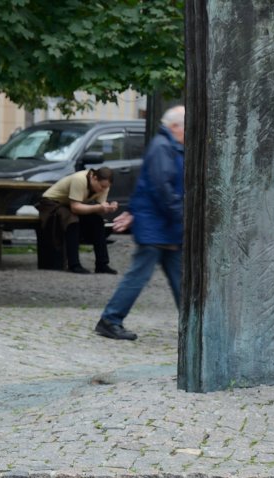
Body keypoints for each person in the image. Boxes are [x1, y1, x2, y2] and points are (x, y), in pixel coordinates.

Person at [95, 105, 186, 341]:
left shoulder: (167, 147)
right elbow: (161, 188)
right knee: (139, 276)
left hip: (162, 226)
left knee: (180, 277)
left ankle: (192, 322)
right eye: (186, 126)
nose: (189, 131)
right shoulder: (164, 147)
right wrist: (180, 216)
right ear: (175, 126)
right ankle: (110, 319)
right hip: (158, 226)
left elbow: (147, 185)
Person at [35, 166, 118, 274]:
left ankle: (102, 264)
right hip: (51, 203)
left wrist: (108, 208)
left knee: (97, 221)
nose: (103, 190)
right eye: (101, 186)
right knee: (72, 221)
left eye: (106, 187)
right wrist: (98, 208)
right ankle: (74, 264)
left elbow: (99, 208)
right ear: (94, 177)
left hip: (68, 205)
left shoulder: (104, 186)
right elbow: (75, 208)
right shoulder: (79, 179)